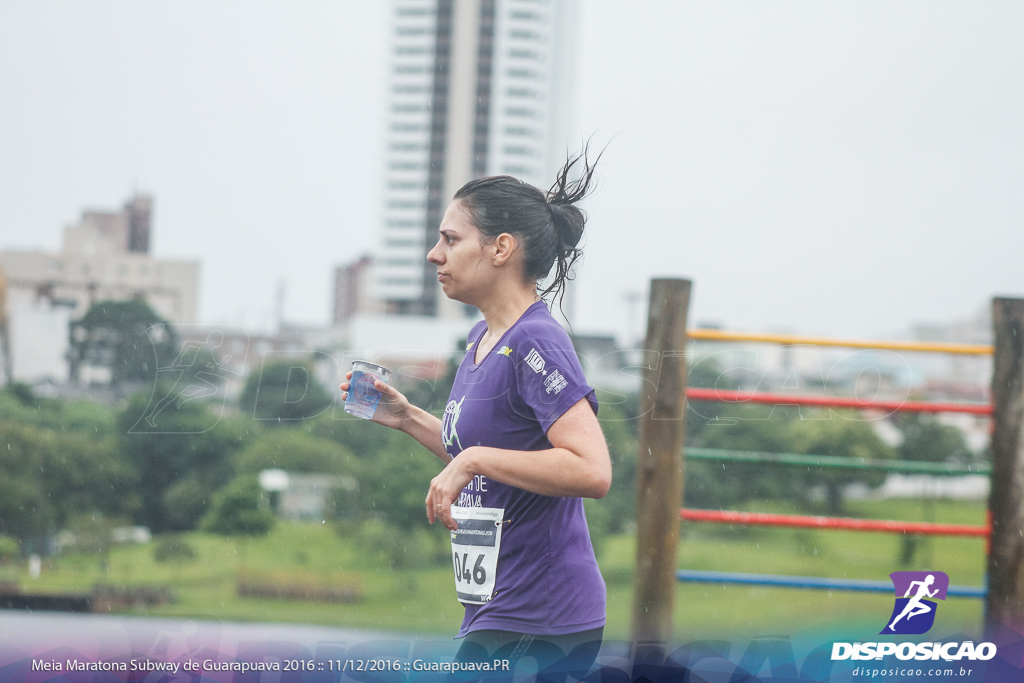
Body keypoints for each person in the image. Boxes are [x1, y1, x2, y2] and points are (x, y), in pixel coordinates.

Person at [341, 149, 610, 682]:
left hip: (545, 616)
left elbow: (591, 470)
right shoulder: (481, 339)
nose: (433, 254)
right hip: (500, 611)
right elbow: (497, 457)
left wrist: (474, 461)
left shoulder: (536, 340)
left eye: (451, 239)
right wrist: (409, 419)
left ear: (501, 248)